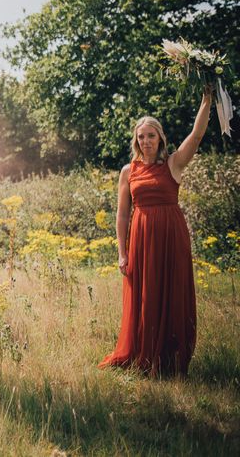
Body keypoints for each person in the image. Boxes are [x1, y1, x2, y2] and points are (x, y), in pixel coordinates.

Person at [99, 89, 212, 376]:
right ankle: (143, 354)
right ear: (136, 140)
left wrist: (206, 101)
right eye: (141, 136)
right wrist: (122, 253)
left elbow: (196, 136)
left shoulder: (173, 163)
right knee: (144, 294)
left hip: (171, 237)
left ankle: (171, 358)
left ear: (160, 137)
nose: (146, 141)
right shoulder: (128, 170)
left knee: (171, 291)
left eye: (151, 135)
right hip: (140, 239)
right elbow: (123, 213)